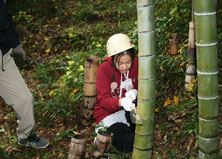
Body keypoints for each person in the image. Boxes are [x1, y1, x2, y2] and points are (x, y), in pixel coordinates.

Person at [0, 0, 49, 148]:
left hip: (3, 58)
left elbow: (6, 19)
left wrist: (15, 45)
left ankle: (25, 135)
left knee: (25, 99)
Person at [94, 33, 138, 152]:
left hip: (130, 109)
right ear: (113, 59)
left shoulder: (137, 64)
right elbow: (103, 100)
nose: (125, 67)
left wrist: (135, 92)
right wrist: (121, 102)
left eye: (128, 62)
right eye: (120, 63)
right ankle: (102, 138)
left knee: (141, 130)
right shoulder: (104, 69)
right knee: (126, 140)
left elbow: (141, 87)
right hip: (108, 114)